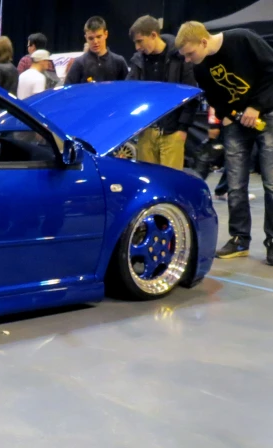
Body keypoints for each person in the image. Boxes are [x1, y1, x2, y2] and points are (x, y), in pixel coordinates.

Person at [177, 21, 273, 264]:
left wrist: (256, 107)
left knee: (271, 183)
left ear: (203, 41)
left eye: (190, 53)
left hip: (267, 116)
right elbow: (214, 98)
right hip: (237, 124)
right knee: (235, 185)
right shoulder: (200, 69)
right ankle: (240, 239)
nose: (188, 60)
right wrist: (228, 115)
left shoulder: (242, 39)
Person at [127, 15, 197, 170]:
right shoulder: (138, 61)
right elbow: (129, 93)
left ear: (153, 35)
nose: (137, 47)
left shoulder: (179, 57)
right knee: (148, 182)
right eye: (135, 42)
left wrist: (182, 129)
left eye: (140, 41)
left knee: (171, 185)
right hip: (146, 131)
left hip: (173, 132)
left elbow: (191, 93)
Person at [65, 16, 128, 84]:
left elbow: (128, 89)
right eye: (91, 38)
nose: (95, 41)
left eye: (98, 37)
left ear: (106, 34)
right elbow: (67, 91)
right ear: (86, 38)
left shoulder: (118, 62)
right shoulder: (79, 63)